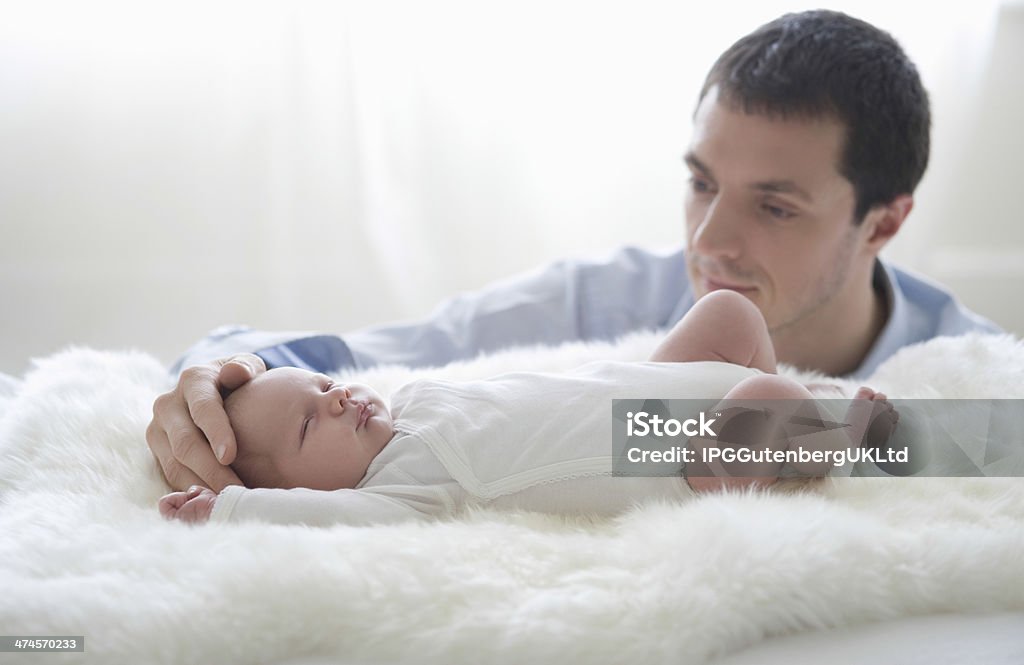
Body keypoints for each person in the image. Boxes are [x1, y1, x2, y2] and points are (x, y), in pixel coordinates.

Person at [148, 9, 997, 494]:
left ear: (884, 222)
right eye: (701, 182)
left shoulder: (973, 370)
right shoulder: (597, 307)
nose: (707, 242)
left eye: (774, 205)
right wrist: (221, 380)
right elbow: (346, 362)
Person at [159, 290, 899, 525]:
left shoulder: (414, 398)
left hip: (642, 386)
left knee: (731, 313)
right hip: (680, 456)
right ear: (295, 486)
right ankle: (818, 441)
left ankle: (777, 436)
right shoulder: (405, 486)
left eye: (323, 388)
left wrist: (258, 363)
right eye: (308, 422)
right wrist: (228, 509)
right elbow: (325, 522)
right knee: (771, 397)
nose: (338, 396)